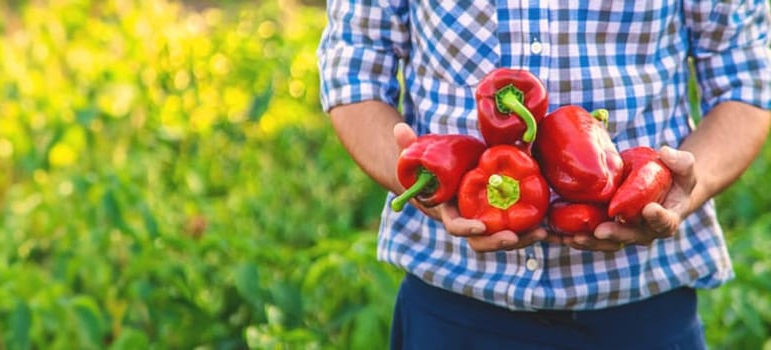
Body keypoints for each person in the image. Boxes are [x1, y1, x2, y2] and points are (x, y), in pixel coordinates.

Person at [318, 1, 771, 349]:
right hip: (450, 308)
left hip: (643, 307)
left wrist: (682, 188)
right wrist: (420, 186)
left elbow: (746, 83)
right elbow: (353, 71)